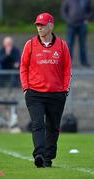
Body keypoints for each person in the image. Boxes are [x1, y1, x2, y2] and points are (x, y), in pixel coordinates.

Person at [20, 12, 72, 168]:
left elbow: (67, 69)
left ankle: (48, 159)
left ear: (51, 26)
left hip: (56, 93)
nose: (39, 28)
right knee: (37, 124)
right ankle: (39, 155)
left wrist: (64, 90)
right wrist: (26, 88)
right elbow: (23, 66)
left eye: (42, 25)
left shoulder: (62, 45)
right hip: (34, 93)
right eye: (37, 25)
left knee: (53, 127)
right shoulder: (30, 45)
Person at [61, 0, 93, 67]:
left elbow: (91, 11)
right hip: (71, 25)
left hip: (82, 24)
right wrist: (68, 20)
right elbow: (63, 11)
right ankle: (68, 63)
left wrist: (87, 18)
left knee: (83, 44)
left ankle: (84, 62)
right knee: (69, 44)